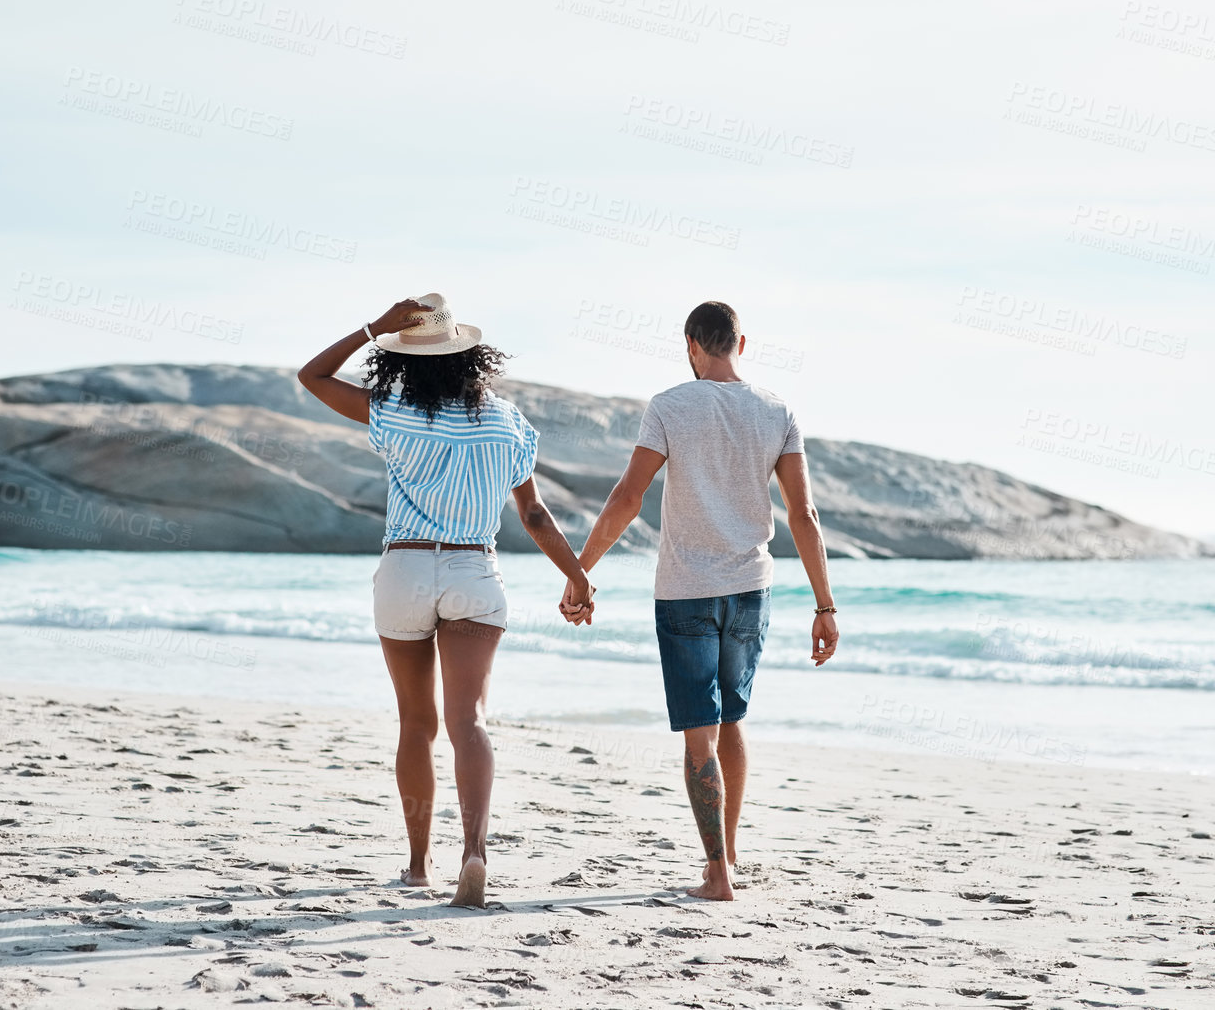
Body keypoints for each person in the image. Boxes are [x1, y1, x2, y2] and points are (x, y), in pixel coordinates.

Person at [299, 294, 594, 907]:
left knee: (416, 721)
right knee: (469, 722)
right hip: (474, 571)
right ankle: (475, 852)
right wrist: (577, 577)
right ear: (470, 357)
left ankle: (416, 866)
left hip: (405, 568)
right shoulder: (508, 421)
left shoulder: (392, 408)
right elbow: (535, 514)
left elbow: (312, 377)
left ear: (407, 360)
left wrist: (373, 328)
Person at [562, 300, 838, 901]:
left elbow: (627, 498)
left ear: (691, 344)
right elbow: (803, 514)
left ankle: (716, 873)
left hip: (685, 590)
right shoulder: (777, 410)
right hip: (751, 591)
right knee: (732, 719)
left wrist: (581, 571)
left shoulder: (668, 406)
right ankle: (731, 853)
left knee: (699, 733)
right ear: (742, 344)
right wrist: (825, 606)